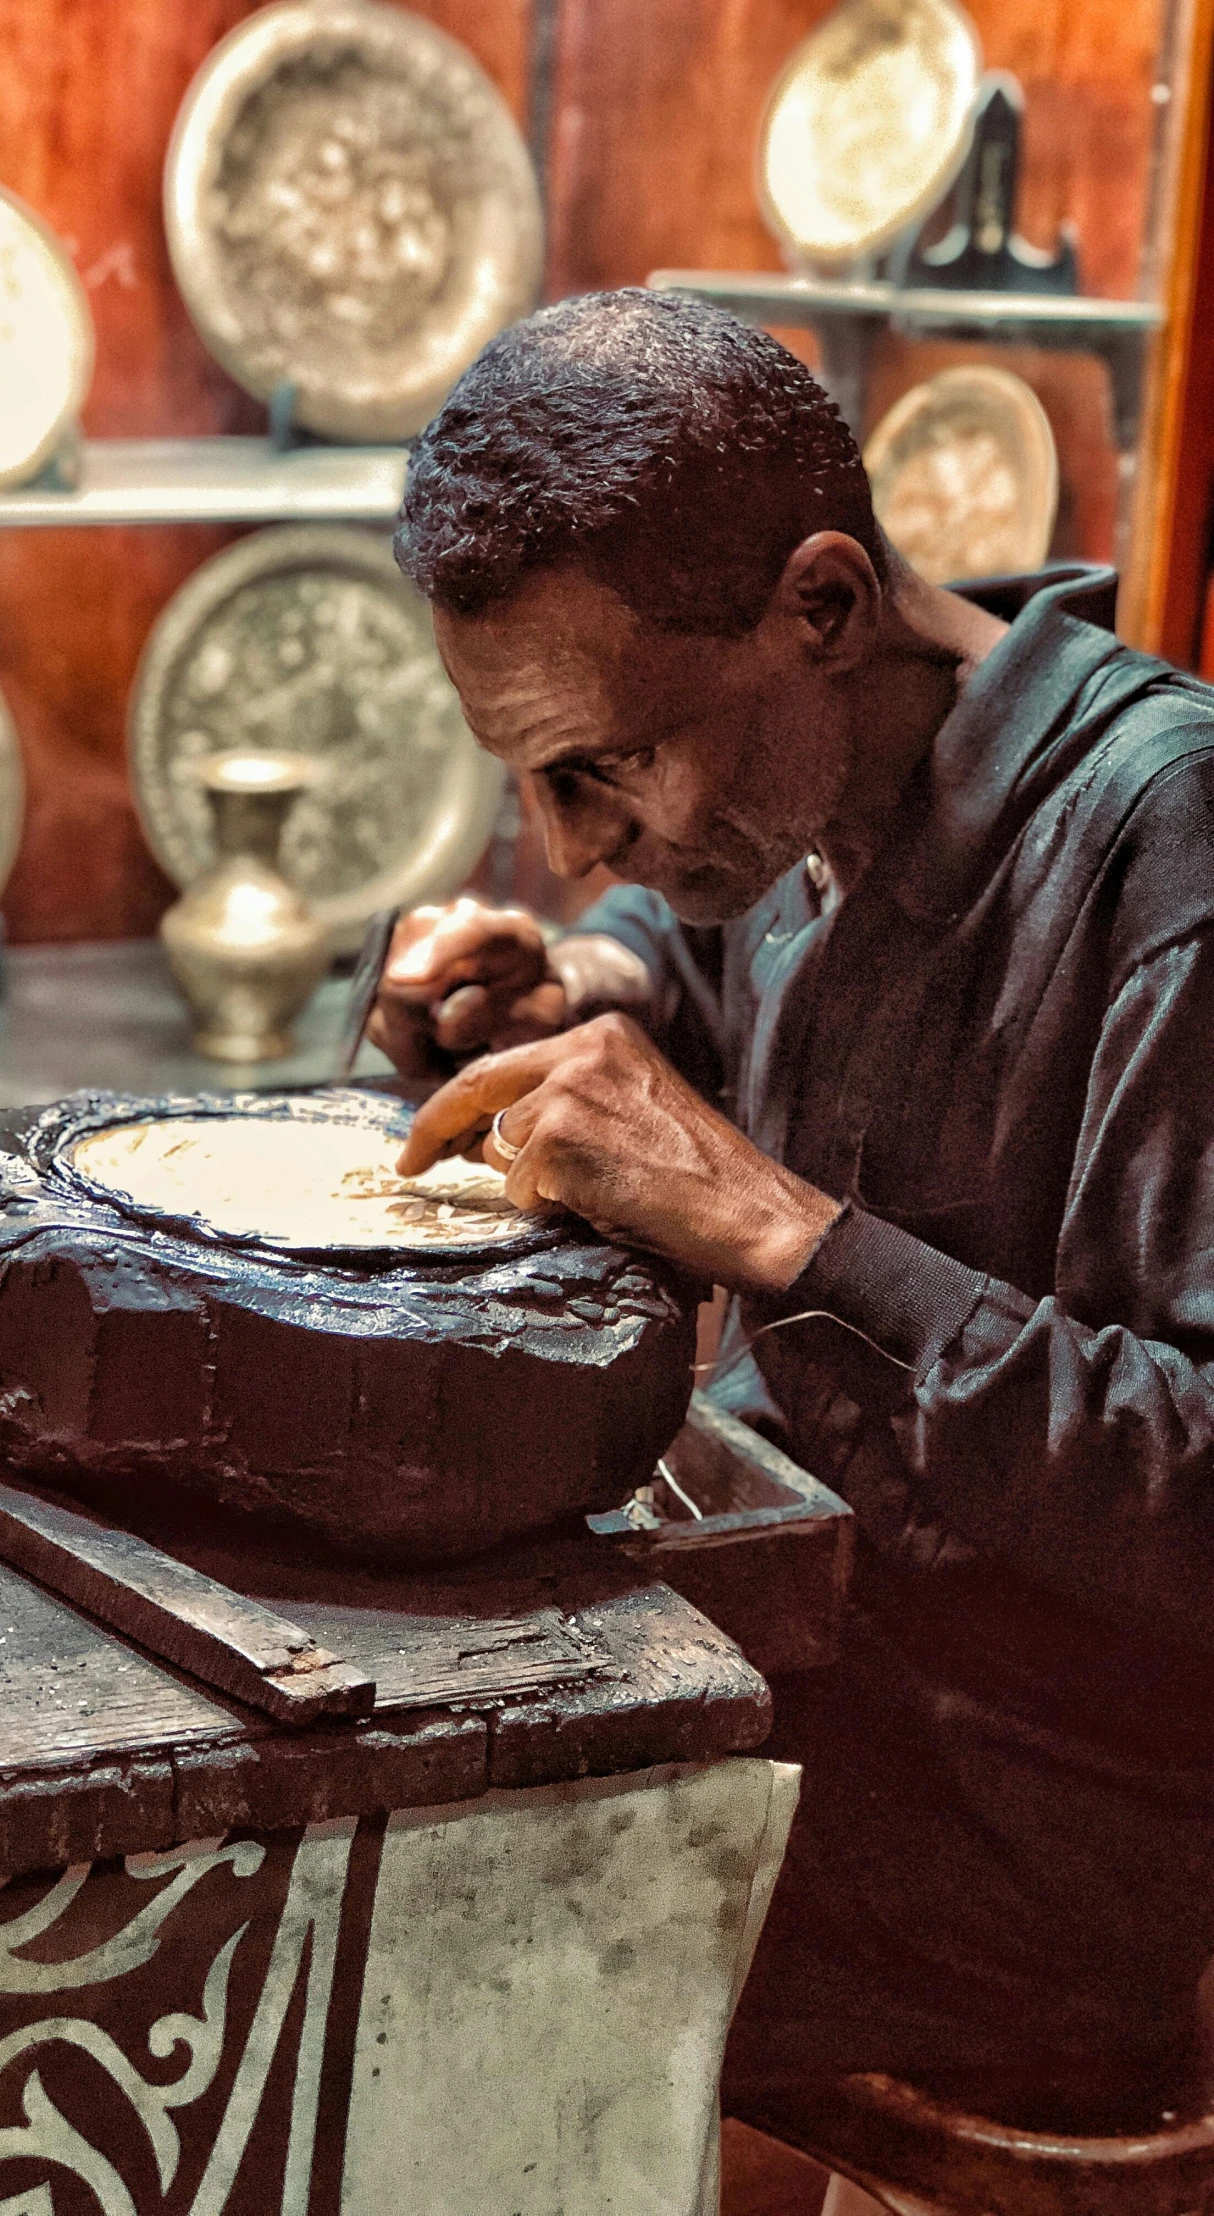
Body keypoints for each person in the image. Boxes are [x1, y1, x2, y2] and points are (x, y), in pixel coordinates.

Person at [370, 288, 1214, 2134]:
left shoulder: (1169, 849)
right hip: (806, 1654)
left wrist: (782, 1233)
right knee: (334, 1799)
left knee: (409, 1950)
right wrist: (580, 995)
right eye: (529, 779)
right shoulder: (822, 756)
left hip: (1049, 1838)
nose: (577, 838)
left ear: (820, 605)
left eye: (604, 768)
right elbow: (712, 943)